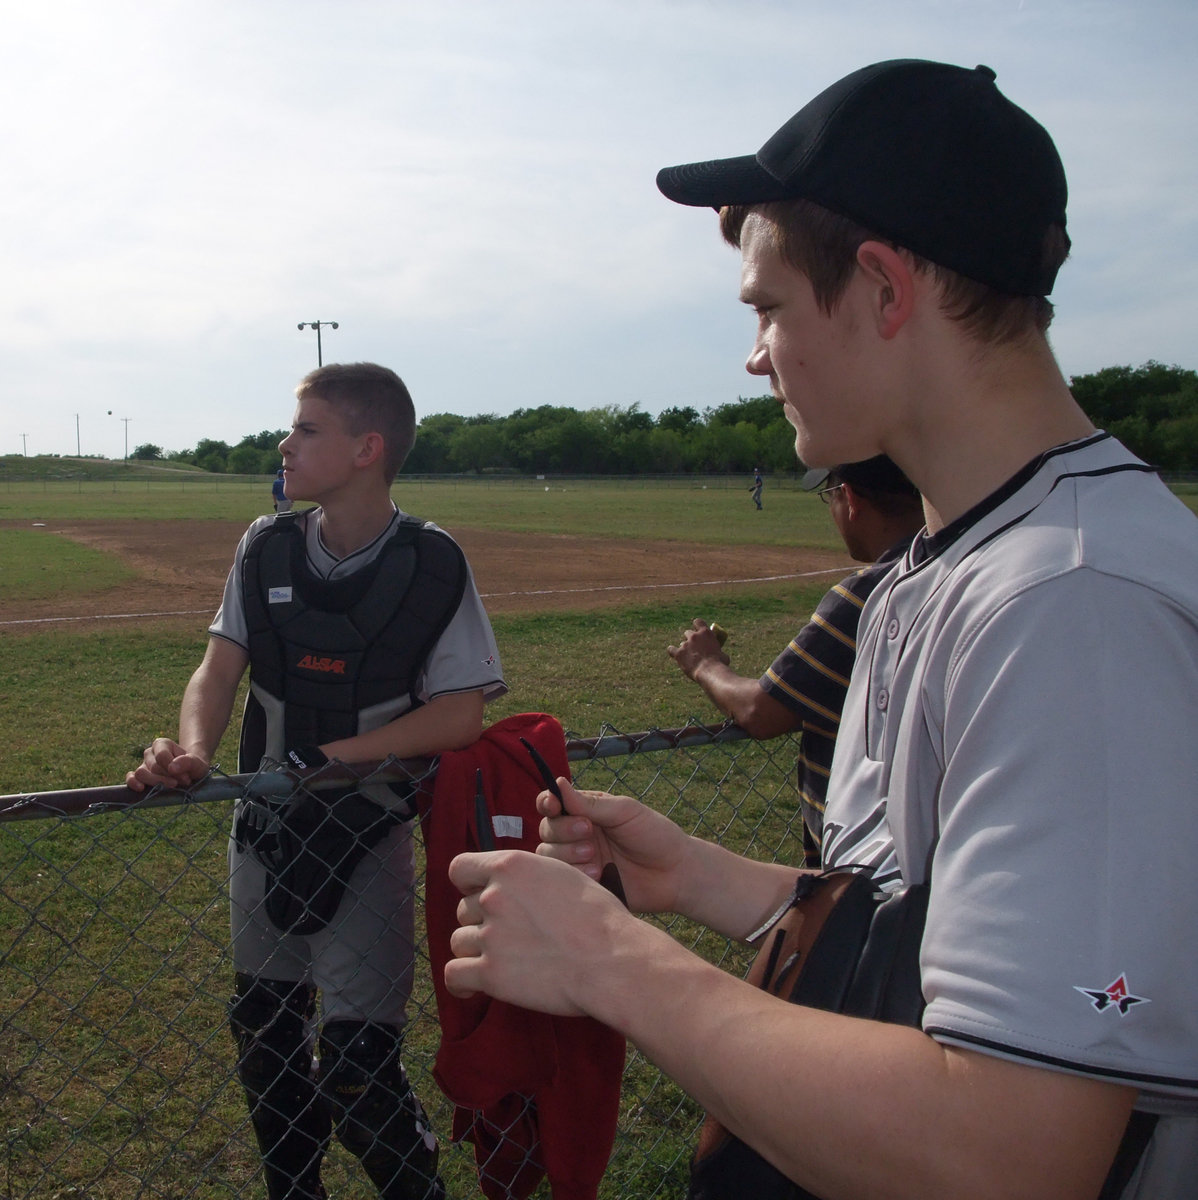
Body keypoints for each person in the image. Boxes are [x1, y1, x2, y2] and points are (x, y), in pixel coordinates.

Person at [444, 60, 1198, 1198]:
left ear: (885, 290)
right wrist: (707, 879)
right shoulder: (939, 569)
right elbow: (928, 937)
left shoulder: (1073, 606)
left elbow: (1011, 1152)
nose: (755, 357)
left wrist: (610, 962)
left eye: (768, 309)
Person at [128, 362, 507, 1200]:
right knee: (266, 1042)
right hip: (261, 832)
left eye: (306, 429)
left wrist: (341, 756)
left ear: (367, 448)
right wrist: (192, 749)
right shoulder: (264, 547)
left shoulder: (432, 562)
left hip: (364, 835)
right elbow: (218, 668)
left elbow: (458, 714)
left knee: (359, 1076)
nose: (284, 444)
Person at [669, 454, 923, 866]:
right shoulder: (963, 570)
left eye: (830, 496)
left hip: (867, 860)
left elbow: (761, 711)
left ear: (851, 499)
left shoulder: (870, 597)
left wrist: (705, 665)